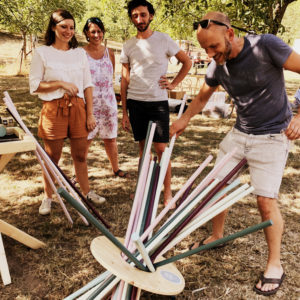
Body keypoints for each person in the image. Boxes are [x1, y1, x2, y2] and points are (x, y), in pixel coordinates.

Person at [170, 11, 300, 296]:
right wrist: (184, 119)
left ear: (229, 33)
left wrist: (299, 113)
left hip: (272, 136)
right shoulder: (218, 65)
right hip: (240, 134)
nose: (209, 54)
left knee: (266, 202)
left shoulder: (266, 45)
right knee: (217, 187)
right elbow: (203, 96)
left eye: (213, 47)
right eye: (204, 49)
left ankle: (275, 265)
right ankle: (217, 236)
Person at [29, 9, 106, 216]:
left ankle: (87, 192)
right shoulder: (42, 53)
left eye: (71, 27)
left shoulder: (79, 53)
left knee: (80, 154)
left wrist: (90, 114)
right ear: (53, 27)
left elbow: (88, 85)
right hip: (54, 109)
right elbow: (34, 85)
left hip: (79, 108)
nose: (68, 31)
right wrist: (60, 84)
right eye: (64, 27)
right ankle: (48, 197)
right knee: (52, 156)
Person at [120, 0, 192, 206]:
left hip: (157, 103)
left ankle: (167, 192)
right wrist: (124, 112)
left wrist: (174, 83)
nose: (139, 19)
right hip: (135, 102)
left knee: (162, 149)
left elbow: (187, 62)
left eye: (143, 15)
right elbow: (124, 80)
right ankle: (142, 190)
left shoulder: (164, 40)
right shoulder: (128, 45)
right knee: (144, 151)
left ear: (151, 16)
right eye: (135, 16)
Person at [82, 17, 129, 179]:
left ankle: (115, 168)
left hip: (108, 103)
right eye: (93, 31)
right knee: (85, 140)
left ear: (103, 33)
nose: (96, 35)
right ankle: (79, 173)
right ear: (87, 33)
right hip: (89, 105)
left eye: (99, 31)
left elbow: (111, 77)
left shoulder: (110, 52)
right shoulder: (81, 53)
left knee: (110, 139)